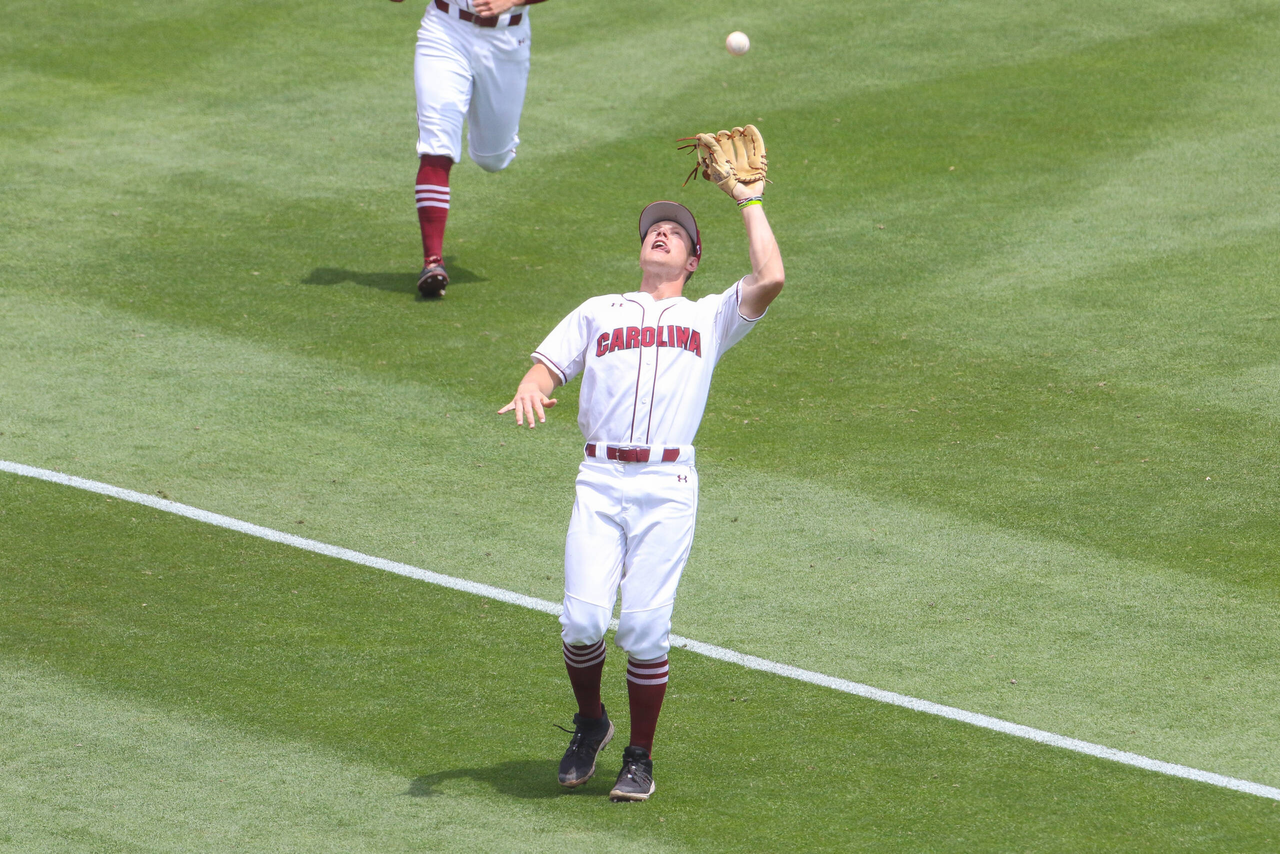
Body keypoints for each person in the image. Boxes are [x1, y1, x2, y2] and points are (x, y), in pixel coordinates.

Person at [498, 147, 784, 801]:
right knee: (582, 622)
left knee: (645, 630)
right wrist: (532, 385)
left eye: (676, 232)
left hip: (666, 487)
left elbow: (771, 277)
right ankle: (591, 722)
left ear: (692, 260)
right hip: (599, 482)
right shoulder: (599, 310)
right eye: (655, 228)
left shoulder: (709, 317)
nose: (662, 232)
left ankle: (639, 756)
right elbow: (549, 365)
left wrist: (750, 203)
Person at [392, 0, 547, 298]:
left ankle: (493, 146)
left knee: (493, 158)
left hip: (507, 40)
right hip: (444, 31)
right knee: (436, 143)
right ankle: (432, 263)